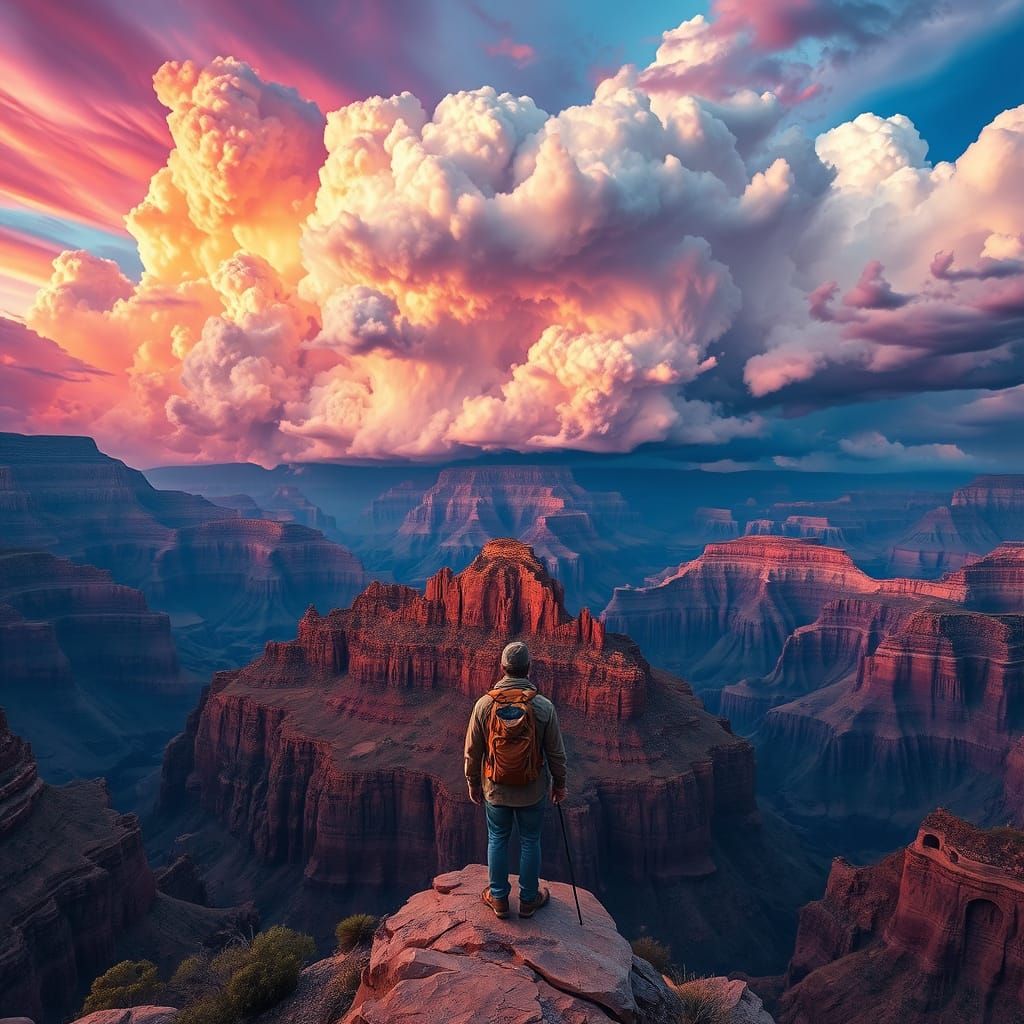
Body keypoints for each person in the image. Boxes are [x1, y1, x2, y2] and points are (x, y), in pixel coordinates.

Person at [464, 640, 567, 920]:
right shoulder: (543, 707)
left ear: (503, 668)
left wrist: (472, 782)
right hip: (532, 789)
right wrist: (560, 784)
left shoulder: (484, 705)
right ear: (528, 669)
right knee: (530, 840)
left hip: (495, 788)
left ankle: (498, 899)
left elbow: (472, 751)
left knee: (497, 838)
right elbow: (557, 753)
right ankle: (528, 900)